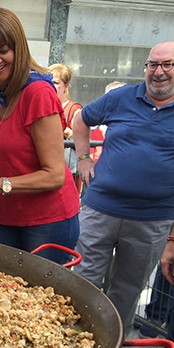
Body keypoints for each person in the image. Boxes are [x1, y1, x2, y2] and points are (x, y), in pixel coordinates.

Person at [0, 7, 80, 264]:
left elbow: (55, 175)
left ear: (18, 48)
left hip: (46, 221)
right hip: (1, 216)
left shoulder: (38, 93)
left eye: (3, 50)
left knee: (41, 300)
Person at [73, 41, 174, 337]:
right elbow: (81, 121)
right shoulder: (120, 98)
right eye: (152, 64)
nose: (158, 72)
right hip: (99, 209)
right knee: (84, 279)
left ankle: (112, 339)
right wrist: (82, 158)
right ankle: (75, 335)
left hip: (152, 220)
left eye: (167, 64)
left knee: (127, 290)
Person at [48, 63, 83, 193]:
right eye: (49, 82)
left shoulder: (74, 109)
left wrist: (59, 128)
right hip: (46, 165)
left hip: (66, 168)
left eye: (56, 82)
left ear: (65, 86)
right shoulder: (43, 105)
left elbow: (80, 138)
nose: (52, 86)